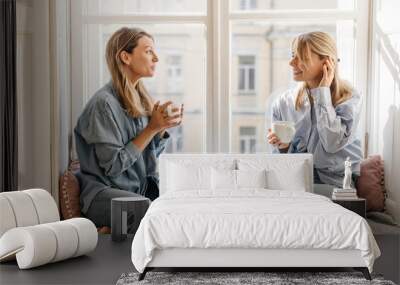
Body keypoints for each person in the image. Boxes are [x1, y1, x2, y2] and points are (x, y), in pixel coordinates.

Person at [74, 27, 183, 232]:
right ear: (125, 56)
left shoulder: (139, 99)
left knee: (179, 204)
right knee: (148, 211)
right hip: (104, 194)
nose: (156, 58)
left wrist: (160, 130)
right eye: (149, 51)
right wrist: (151, 129)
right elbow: (114, 166)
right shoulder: (103, 104)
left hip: (135, 192)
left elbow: (144, 156)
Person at [267, 31, 363, 189]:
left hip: (336, 185)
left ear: (326, 62)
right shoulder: (283, 103)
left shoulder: (349, 98)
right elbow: (278, 163)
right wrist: (283, 149)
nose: (292, 62)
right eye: (293, 55)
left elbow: (332, 142)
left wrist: (323, 91)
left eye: (301, 57)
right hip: (296, 183)